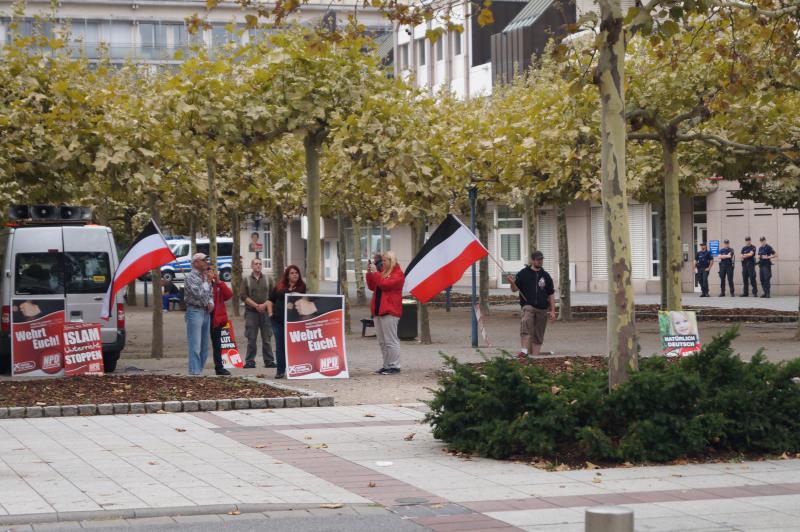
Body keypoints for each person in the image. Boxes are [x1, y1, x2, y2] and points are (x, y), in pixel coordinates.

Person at [507, 250, 556, 359]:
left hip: (542, 308)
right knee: (525, 323)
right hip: (528, 306)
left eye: (541, 259)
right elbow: (515, 289)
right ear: (532, 260)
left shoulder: (546, 276)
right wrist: (512, 283)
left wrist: (552, 311)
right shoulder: (523, 273)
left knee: (539, 333)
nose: (540, 261)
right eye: (538, 259)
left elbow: (551, 294)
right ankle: (524, 351)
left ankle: (535, 356)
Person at [366, 250, 405, 375]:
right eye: (382, 260)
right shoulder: (382, 273)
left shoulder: (398, 274)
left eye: (385, 260)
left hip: (390, 311)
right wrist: (370, 273)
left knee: (391, 340)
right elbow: (372, 286)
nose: (383, 263)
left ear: (391, 261)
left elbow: (385, 285)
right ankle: (387, 365)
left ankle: (395, 366)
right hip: (378, 310)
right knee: (382, 341)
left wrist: (376, 274)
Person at [267, 265, 306, 379]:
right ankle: (280, 370)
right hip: (278, 321)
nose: (295, 275)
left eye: (296, 273)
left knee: (294, 345)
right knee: (280, 346)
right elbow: (270, 301)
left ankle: (295, 369)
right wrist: (270, 314)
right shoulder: (279, 286)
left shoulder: (302, 287)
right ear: (287, 275)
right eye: (292, 273)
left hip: (293, 322)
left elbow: (305, 301)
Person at [239, 258, 275, 369]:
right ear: (252, 266)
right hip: (251, 313)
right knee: (251, 338)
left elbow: (273, 295)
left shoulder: (268, 279)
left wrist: (264, 306)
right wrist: (256, 305)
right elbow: (243, 296)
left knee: (267, 338)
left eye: (260, 264)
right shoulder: (246, 280)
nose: (258, 266)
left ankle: (269, 361)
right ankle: (250, 361)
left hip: (265, 313)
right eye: (255, 264)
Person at [184, 253, 213, 375]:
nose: (207, 262)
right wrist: (208, 282)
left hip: (206, 312)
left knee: (204, 346)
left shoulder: (205, 276)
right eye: (204, 260)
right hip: (194, 311)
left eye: (207, 260)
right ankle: (195, 372)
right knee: (195, 344)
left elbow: (209, 294)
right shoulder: (190, 277)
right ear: (196, 262)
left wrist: (211, 302)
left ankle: (199, 371)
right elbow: (198, 294)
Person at [209, 266, 233, 376]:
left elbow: (228, 295)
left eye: (213, 271)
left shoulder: (217, 285)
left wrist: (219, 282)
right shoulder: (202, 284)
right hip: (205, 317)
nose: (211, 273)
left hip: (216, 319)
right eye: (209, 271)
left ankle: (219, 367)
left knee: (217, 345)